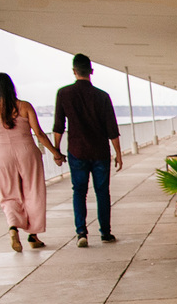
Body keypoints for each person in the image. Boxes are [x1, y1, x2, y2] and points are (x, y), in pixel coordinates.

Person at [0, 73, 65, 252]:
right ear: (11, 86)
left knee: (9, 193)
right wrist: (56, 153)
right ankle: (33, 236)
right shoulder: (24, 106)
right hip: (27, 151)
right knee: (33, 191)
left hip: (3, 154)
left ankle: (13, 227)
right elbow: (40, 134)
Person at [52, 53, 123, 247]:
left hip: (77, 151)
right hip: (100, 151)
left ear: (74, 71)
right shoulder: (102, 96)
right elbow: (112, 129)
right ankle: (105, 233)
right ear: (91, 71)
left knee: (79, 192)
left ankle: (81, 232)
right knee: (102, 192)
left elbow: (59, 126)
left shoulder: (64, 94)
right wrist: (118, 153)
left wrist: (56, 151)